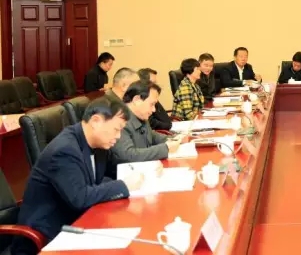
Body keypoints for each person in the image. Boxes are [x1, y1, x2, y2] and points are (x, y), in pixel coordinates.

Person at [11, 98, 144, 255]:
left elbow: (112, 172)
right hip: (46, 235)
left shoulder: (97, 144)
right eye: (116, 129)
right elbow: (80, 198)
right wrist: (124, 185)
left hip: (77, 221)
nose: (119, 136)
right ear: (96, 121)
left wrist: (142, 172)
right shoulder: (64, 150)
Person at [111, 80, 181, 163]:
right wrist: (165, 148)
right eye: (152, 104)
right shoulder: (119, 120)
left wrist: (175, 139)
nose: (154, 110)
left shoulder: (141, 116)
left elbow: (151, 136)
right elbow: (128, 155)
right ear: (136, 100)